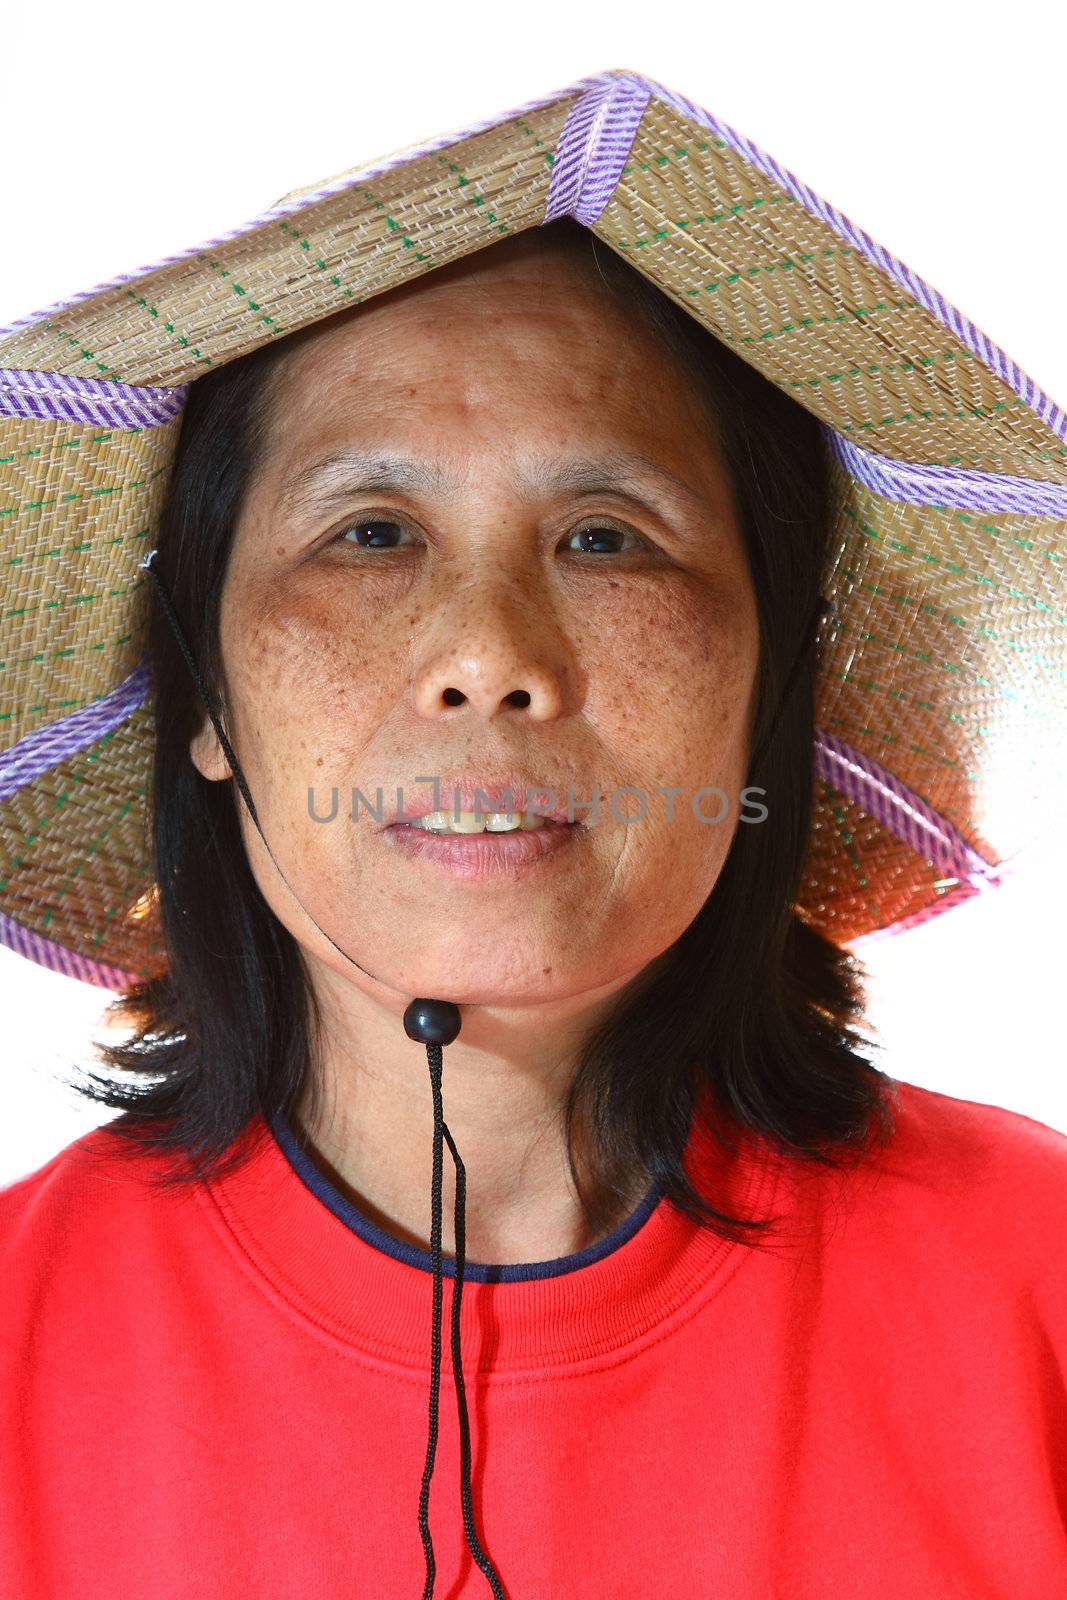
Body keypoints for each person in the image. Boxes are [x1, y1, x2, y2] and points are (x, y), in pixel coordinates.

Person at [1, 71, 1065, 1600]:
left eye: (604, 537)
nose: (489, 653)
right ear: (208, 698)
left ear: (770, 681)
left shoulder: (1042, 1292)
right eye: (370, 533)